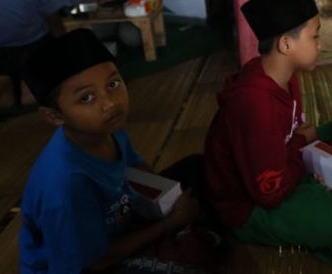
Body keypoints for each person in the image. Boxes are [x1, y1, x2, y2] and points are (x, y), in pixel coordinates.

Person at [204, 0, 332, 266]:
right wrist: (302, 160)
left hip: (284, 159)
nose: (321, 45)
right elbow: (270, 194)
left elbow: (292, 133)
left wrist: (300, 146)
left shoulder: (282, 75)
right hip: (246, 208)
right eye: (315, 36)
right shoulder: (254, 104)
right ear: (285, 43)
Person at [19, 29, 202, 273]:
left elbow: (135, 168)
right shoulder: (67, 184)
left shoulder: (106, 127)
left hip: (118, 220)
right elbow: (94, 261)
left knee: (197, 168)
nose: (110, 103)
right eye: (86, 98)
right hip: (89, 263)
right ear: (54, 115)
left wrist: (167, 199)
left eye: (113, 84)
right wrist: (171, 222)